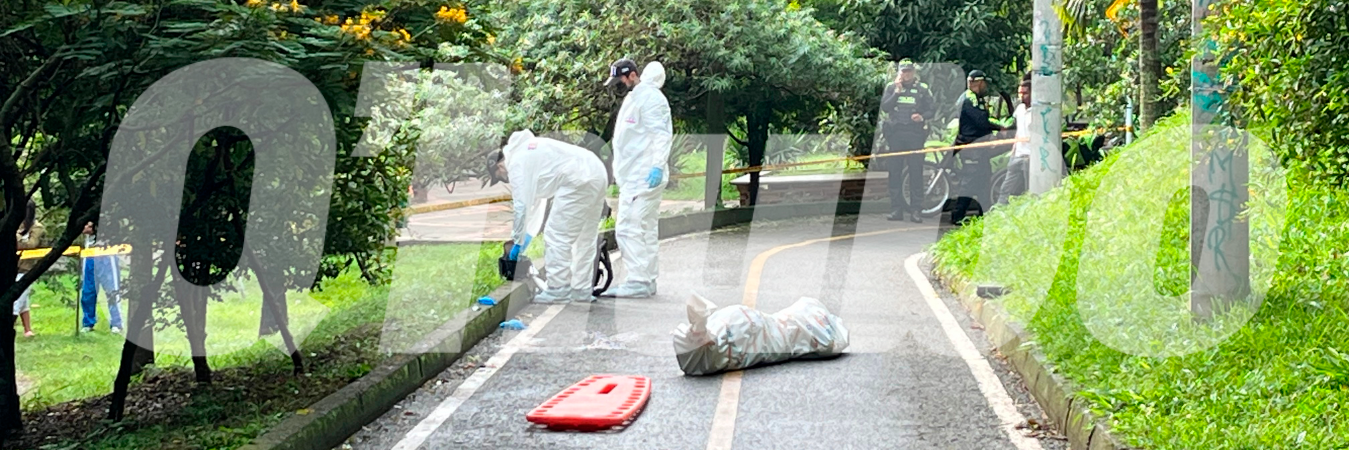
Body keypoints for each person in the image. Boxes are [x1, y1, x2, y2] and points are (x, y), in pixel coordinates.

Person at [488, 130, 609, 303]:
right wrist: (525, 239)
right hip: (597, 172)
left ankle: (558, 289)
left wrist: (517, 241)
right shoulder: (530, 153)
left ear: (499, 166)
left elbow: (521, 207)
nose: (504, 179)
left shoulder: (516, 163)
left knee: (556, 235)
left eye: (499, 177)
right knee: (585, 237)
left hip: (577, 180)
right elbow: (536, 205)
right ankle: (581, 289)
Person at [600, 58, 672, 298]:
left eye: (619, 80)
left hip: (643, 177)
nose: (617, 85)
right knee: (645, 228)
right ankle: (647, 279)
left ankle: (639, 280)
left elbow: (661, 135)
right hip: (635, 176)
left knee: (627, 228)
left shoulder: (650, 99)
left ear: (632, 75)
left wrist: (657, 166)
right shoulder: (636, 97)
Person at [878, 59, 936, 223]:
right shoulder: (891, 88)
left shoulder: (922, 89)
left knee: (916, 172)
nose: (906, 74)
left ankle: (916, 210)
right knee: (894, 172)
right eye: (903, 71)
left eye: (909, 71)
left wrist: (922, 116)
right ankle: (896, 209)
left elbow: (932, 110)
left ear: (913, 72)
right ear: (899, 73)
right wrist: (897, 91)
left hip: (915, 134)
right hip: (896, 134)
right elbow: (885, 107)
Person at [950, 70, 1009, 225]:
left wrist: (997, 127)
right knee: (969, 181)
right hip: (971, 147)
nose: (986, 86)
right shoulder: (969, 99)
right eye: (984, 83)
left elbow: (985, 119)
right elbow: (981, 121)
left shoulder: (976, 98)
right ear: (978, 82)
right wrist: (998, 127)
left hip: (979, 147)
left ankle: (986, 214)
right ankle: (957, 215)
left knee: (984, 179)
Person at [995, 76, 1033, 207]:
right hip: (1018, 154)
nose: (1022, 96)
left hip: (1031, 156)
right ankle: (999, 211)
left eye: (1025, 93)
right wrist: (1014, 149)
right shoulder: (1020, 110)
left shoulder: (1038, 112)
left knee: (1030, 188)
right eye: (1020, 93)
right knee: (1006, 188)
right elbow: (1018, 130)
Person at [79, 221, 122, 334]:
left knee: (111, 289)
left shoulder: (108, 216)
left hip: (106, 254)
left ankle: (116, 323)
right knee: (88, 290)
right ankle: (88, 322)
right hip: (89, 255)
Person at [14, 200, 43, 338]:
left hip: (27, 269)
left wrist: (17, 239)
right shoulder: (16, 224)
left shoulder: (37, 227)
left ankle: (8, 325)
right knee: (23, 302)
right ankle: (27, 330)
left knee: (17, 300)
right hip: (14, 267)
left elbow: (32, 244)